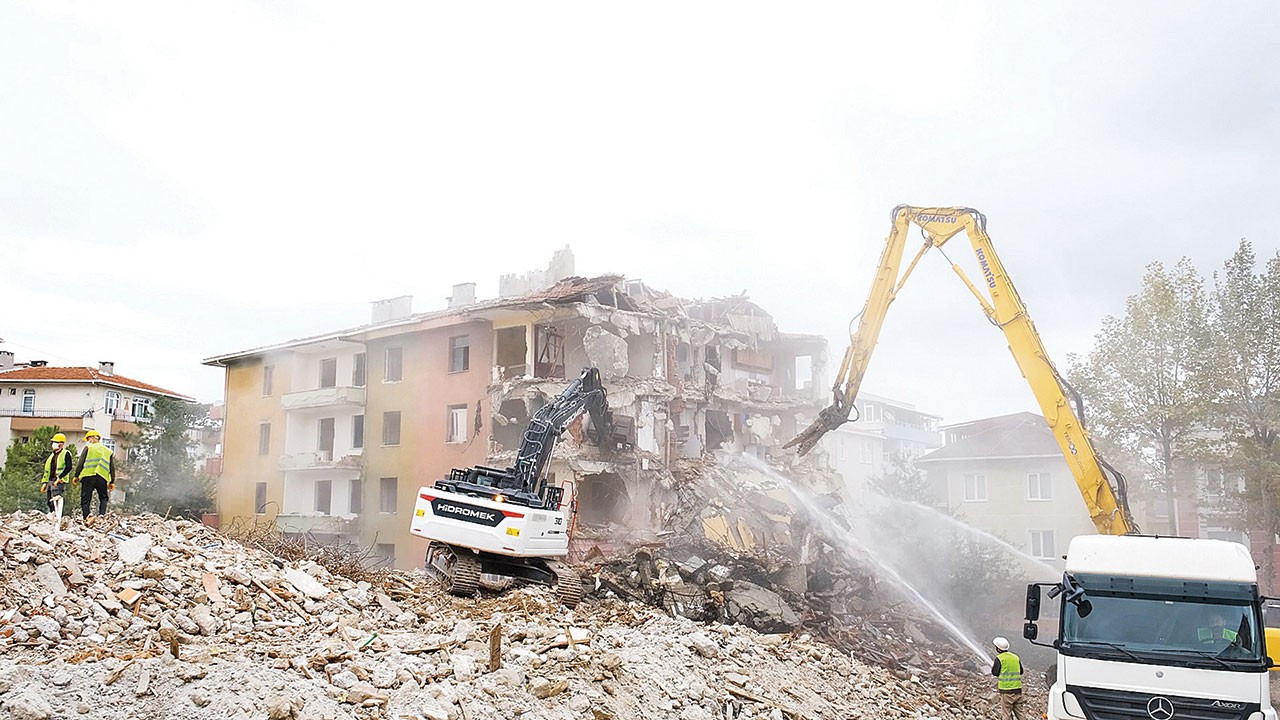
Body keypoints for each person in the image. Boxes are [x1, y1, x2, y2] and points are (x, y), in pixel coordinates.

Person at [74, 430, 114, 525]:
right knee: (103, 497)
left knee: (85, 498)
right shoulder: (108, 451)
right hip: (102, 477)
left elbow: (81, 462)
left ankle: (87, 517)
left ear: (92, 437)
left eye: (88, 439)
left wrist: (76, 475)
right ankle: (101, 516)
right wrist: (112, 481)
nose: (88, 441)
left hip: (88, 475)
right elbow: (112, 467)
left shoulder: (88, 447)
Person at [40, 432, 74, 520]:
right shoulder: (52, 456)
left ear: (61, 444)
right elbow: (47, 470)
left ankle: (58, 517)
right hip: (51, 480)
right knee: (49, 500)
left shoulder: (66, 453)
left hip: (59, 481)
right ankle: (52, 515)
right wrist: (44, 482)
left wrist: (60, 478)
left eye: (56, 442)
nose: (54, 444)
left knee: (56, 498)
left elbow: (69, 467)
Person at [991, 636, 1025, 720]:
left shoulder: (999, 658)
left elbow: (995, 672)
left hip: (1006, 691)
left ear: (998, 649)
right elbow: (1021, 671)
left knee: (1006, 715)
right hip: (1018, 690)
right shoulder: (1015, 657)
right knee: (1020, 714)